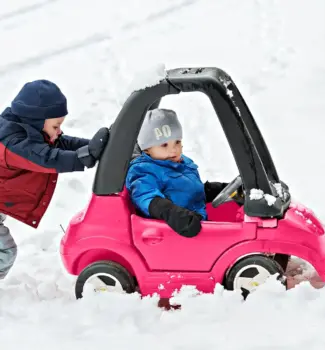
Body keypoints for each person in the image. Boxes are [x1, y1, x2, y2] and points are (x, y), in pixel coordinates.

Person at [0, 79, 109, 279]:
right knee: (5, 252)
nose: (59, 131)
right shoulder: (11, 143)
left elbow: (61, 143)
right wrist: (83, 158)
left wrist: (94, 147)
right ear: (36, 121)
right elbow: (47, 158)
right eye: (56, 126)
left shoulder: (29, 130)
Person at [126, 108, 228, 238]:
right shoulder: (144, 170)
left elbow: (190, 191)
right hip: (173, 234)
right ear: (147, 149)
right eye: (164, 145)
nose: (173, 149)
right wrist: (173, 214)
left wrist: (222, 190)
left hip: (198, 225)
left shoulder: (181, 163)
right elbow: (147, 197)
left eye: (177, 142)